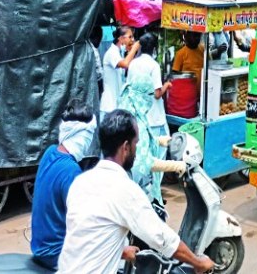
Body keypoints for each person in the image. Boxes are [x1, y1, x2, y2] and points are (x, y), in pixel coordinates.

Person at [57, 110, 214, 274]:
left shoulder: (81, 182)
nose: (137, 149)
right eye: (136, 144)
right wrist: (198, 263)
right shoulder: (124, 189)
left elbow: (88, 235)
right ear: (126, 147)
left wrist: (121, 251)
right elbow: (162, 238)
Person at [30, 99, 97, 271]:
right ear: (81, 136)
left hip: (39, 247)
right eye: (89, 136)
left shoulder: (50, 153)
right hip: (56, 253)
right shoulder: (71, 171)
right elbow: (82, 222)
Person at [124, 33, 172, 201]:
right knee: (157, 159)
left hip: (137, 115)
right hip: (155, 118)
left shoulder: (133, 64)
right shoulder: (153, 65)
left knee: (139, 158)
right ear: (154, 48)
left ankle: (146, 192)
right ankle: (155, 194)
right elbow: (157, 94)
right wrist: (166, 85)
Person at [100, 26, 140, 119]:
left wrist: (131, 51)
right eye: (130, 37)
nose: (132, 40)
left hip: (115, 105)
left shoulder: (119, 53)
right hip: (109, 106)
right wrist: (134, 49)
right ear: (121, 39)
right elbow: (125, 64)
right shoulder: (112, 53)